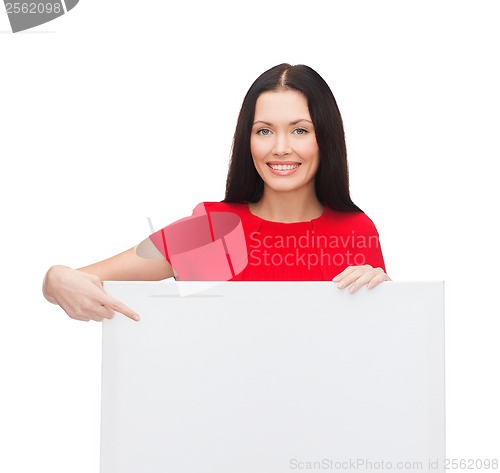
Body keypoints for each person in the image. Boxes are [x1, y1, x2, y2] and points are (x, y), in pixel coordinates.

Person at [42, 63, 391, 322]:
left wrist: (389, 298)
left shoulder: (355, 231)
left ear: (326, 138)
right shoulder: (213, 230)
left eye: (300, 131)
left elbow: (377, 349)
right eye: (264, 131)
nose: (281, 147)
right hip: (218, 414)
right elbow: (82, 279)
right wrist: (54, 278)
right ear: (247, 140)